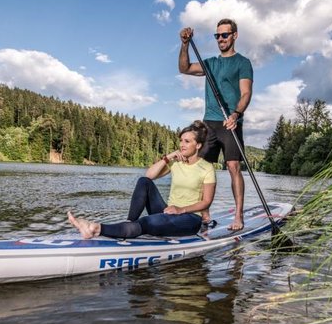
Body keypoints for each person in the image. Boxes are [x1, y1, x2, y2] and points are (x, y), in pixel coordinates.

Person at [68, 121, 216, 239]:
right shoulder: (175, 163)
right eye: (181, 141)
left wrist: (180, 210)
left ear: (198, 145)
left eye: (187, 141)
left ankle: (94, 228)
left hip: (190, 218)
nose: (182, 145)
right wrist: (168, 157)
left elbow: (206, 202)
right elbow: (149, 176)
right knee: (143, 181)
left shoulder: (206, 168)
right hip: (169, 211)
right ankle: (129, 223)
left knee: (146, 222)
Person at [178, 19, 253, 231]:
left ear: (234, 36)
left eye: (225, 35)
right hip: (209, 122)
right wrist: (184, 44)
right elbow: (184, 68)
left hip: (230, 122)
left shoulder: (242, 63)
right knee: (203, 167)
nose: (221, 39)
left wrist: (236, 114)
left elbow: (246, 93)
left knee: (233, 166)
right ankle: (204, 215)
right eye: (217, 36)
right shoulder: (210, 63)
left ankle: (238, 216)